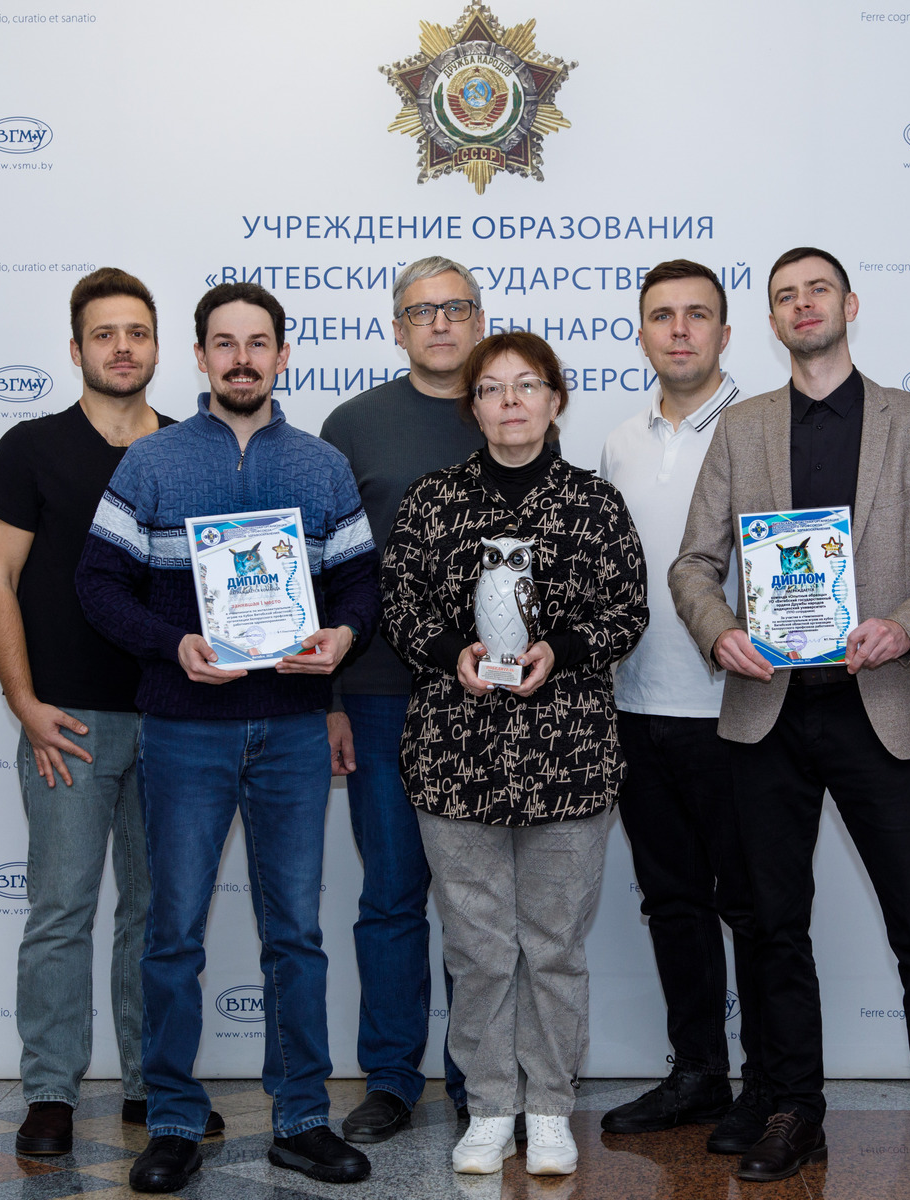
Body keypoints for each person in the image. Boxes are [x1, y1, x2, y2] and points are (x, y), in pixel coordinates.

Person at [669, 247, 910, 1199]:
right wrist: (720, 630)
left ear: (849, 305)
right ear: (771, 321)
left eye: (817, 291)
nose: (802, 306)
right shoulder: (743, 428)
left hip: (876, 709)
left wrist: (907, 625)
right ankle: (793, 1111)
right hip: (767, 710)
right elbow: (693, 564)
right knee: (775, 927)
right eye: (785, 297)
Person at [76, 282, 380, 1192]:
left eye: (257, 343)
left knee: (296, 934)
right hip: (184, 729)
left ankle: (302, 1118)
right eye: (224, 342)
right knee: (172, 932)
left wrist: (343, 636)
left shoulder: (322, 466)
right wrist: (170, 644)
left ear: (283, 355)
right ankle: (172, 1118)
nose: (241, 358)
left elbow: (360, 584)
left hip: (291, 730)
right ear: (201, 356)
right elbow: (97, 583)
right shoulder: (151, 463)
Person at [381, 330, 648, 1177]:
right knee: (479, 948)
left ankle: (551, 1107)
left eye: (526, 385)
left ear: (555, 399)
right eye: (492, 388)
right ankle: (492, 1106)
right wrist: (450, 651)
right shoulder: (432, 501)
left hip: (568, 758)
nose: (510, 402)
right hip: (456, 757)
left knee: (555, 947)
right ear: (474, 408)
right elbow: (401, 605)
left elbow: (626, 609)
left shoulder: (595, 505)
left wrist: (558, 651)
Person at [0, 268, 198, 1155]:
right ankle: (50, 1095)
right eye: (104, 334)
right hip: (65, 720)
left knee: (156, 913)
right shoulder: (31, 447)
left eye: (136, 332)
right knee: (62, 909)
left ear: (158, 348)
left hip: (175, 716)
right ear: (76, 349)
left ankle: (150, 1086)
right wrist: (24, 703)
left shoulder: (187, 448)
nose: (121, 347)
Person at [599, 260, 769, 1152]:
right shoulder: (619, 442)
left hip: (743, 710)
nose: (679, 330)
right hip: (637, 707)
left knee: (756, 908)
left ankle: (772, 1087)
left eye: (697, 314)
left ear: (726, 333)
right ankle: (698, 1073)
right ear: (641, 333)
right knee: (671, 902)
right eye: (662, 315)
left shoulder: (766, 429)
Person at [319, 256, 485, 1141]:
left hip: (487, 698)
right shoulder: (352, 425)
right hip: (379, 690)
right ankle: (389, 1077)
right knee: (390, 892)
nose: (441, 323)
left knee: (475, 901)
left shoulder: (506, 407)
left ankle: (476, 1078)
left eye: (456, 308)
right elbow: (325, 571)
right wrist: (331, 699)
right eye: (423, 312)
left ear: (478, 318)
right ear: (397, 328)